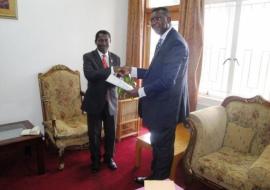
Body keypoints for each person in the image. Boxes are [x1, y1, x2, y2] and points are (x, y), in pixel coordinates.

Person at [120, 7, 189, 184]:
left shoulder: (176, 43)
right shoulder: (163, 41)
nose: (154, 22)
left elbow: (167, 80)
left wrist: (139, 91)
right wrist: (132, 70)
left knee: (164, 149)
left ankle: (159, 185)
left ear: (168, 19)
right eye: (151, 20)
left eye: (158, 18)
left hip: (166, 108)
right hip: (158, 106)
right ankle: (153, 178)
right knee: (157, 145)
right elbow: (154, 73)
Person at [81, 30, 120, 173]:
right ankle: (95, 160)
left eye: (106, 40)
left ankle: (109, 158)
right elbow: (90, 75)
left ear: (110, 41)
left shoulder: (116, 58)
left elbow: (116, 78)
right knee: (94, 134)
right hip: (94, 101)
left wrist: (120, 77)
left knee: (111, 133)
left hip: (111, 100)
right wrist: (111, 70)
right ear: (95, 41)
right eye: (100, 40)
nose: (103, 43)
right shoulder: (88, 57)